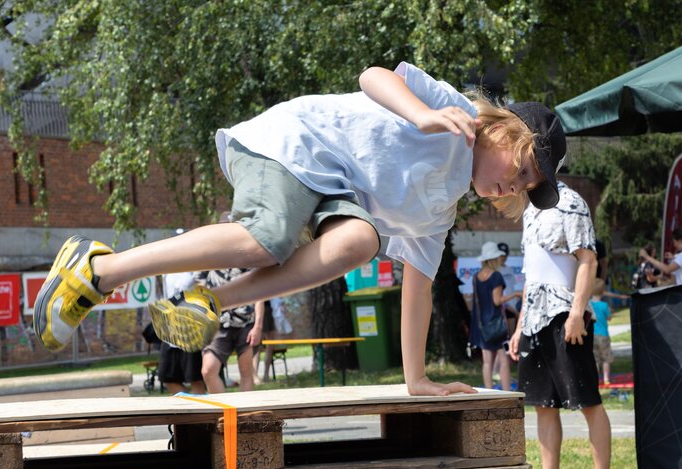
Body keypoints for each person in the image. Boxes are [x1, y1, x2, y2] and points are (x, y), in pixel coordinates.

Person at [32, 62, 565, 397]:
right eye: (517, 170)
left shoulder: (438, 213)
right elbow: (373, 76)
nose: (509, 188)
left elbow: (419, 290)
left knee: (359, 241)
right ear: (501, 132)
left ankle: (211, 302)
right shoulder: (453, 113)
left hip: (325, 191)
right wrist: (422, 115)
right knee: (268, 239)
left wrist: (416, 380)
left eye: (522, 187)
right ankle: (99, 268)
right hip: (287, 145)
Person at [508, 180, 613, 469]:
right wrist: (519, 326)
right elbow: (531, 274)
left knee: (587, 400)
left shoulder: (571, 201)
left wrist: (577, 313)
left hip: (565, 312)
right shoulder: (529, 208)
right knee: (543, 402)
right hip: (535, 316)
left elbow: (588, 259)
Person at [196, 267, 265, 393]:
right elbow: (200, 291)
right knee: (208, 370)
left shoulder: (246, 257)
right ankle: (223, 410)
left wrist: (258, 327)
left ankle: (243, 410)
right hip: (218, 323)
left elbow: (259, 294)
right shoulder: (208, 259)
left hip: (246, 322)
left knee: (246, 372)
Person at [470, 242, 521, 390]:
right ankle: (506, 391)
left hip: (483, 325)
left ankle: (488, 391)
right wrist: (515, 294)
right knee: (503, 360)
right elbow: (497, 300)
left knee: (487, 362)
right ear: (495, 258)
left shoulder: (476, 277)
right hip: (497, 325)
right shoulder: (496, 276)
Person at [156, 271, 206, 394]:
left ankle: (202, 409)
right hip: (170, 331)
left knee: (195, 379)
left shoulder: (195, 269)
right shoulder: (166, 270)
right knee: (167, 378)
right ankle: (192, 405)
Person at [589, 278, 613, 386]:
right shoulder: (604, 305)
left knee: (595, 359)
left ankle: (596, 380)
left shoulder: (589, 304)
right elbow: (609, 318)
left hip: (592, 335)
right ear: (603, 292)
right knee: (606, 358)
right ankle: (606, 378)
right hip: (603, 335)